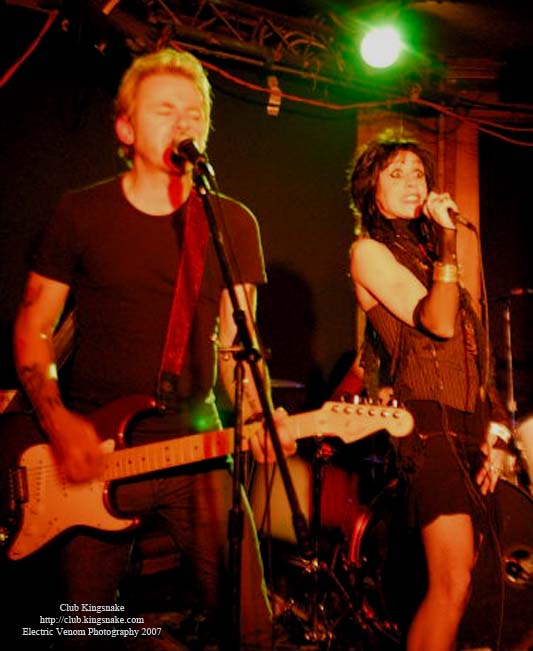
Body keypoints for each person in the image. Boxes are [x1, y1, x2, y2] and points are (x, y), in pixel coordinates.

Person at [12, 47, 294, 650]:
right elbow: (34, 324)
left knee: (251, 627)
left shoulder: (230, 222)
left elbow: (238, 344)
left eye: (195, 113)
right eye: (165, 110)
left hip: (195, 447)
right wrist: (59, 423)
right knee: (84, 629)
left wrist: (256, 411)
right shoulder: (80, 213)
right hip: (93, 451)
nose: (184, 123)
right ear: (125, 128)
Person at [348, 132, 512, 651]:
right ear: (371, 190)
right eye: (395, 174)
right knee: (451, 583)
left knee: (473, 586)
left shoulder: (437, 260)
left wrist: (496, 432)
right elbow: (437, 323)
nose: (412, 183)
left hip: (468, 424)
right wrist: (447, 242)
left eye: (418, 173)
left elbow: (473, 356)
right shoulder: (368, 252)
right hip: (426, 426)